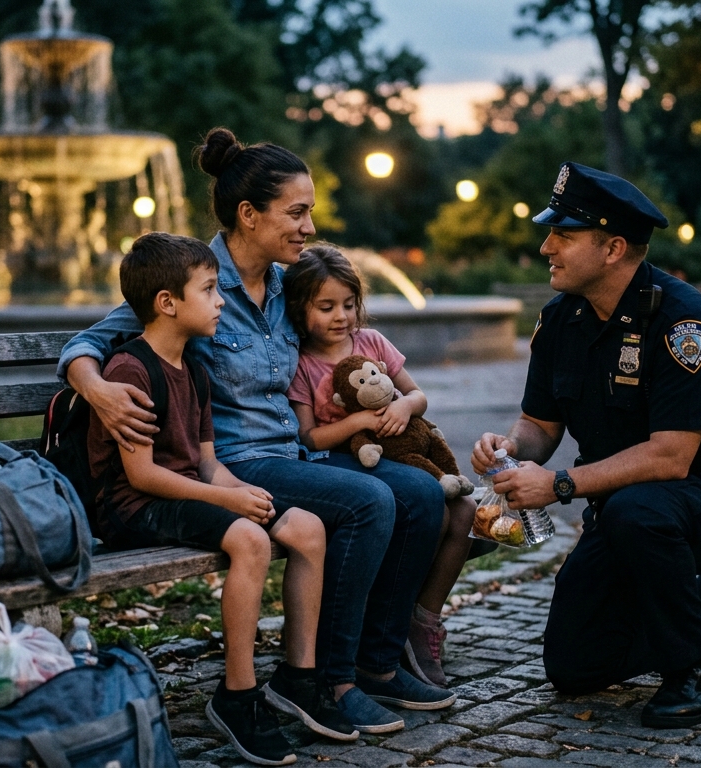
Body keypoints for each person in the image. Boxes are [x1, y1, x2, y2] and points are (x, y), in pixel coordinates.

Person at [58, 127, 455, 737]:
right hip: (237, 461)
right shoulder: (195, 279)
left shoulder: (285, 283)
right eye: (296, 213)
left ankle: (377, 664)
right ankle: (330, 678)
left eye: (310, 214)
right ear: (249, 214)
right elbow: (93, 340)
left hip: (296, 451)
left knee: (423, 494)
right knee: (370, 501)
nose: (308, 228)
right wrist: (96, 387)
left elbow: (338, 339)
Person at [471, 162, 701, 729]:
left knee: (639, 512)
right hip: (627, 509)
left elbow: (670, 457)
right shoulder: (561, 319)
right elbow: (541, 425)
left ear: (613, 249)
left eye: (564, 234)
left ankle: (691, 670)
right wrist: (508, 448)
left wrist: (557, 485)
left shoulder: (683, 321)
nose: (545, 246)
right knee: (573, 667)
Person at [88, 232, 329, 764]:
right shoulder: (131, 369)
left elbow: (208, 463)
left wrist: (242, 491)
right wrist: (229, 505)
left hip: (181, 494)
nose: (222, 301)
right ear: (167, 303)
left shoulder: (194, 368)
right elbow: (144, 476)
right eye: (208, 291)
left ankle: (300, 678)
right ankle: (238, 695)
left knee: (305, 527)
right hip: (133, 507)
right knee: (248, 538)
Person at [283, 244, 475, 688]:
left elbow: (417, 395)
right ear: (300, 308)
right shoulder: (303, 365)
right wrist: (358, 421)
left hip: (398, 454)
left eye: (349, 305)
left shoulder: (371, 343)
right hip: (343, 460)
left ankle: (421, 620)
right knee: (431, 507)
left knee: (465, 512)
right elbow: (308, 437)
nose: (341, 316)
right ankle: (387, 627)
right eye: (326, 306)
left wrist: (405, 408)